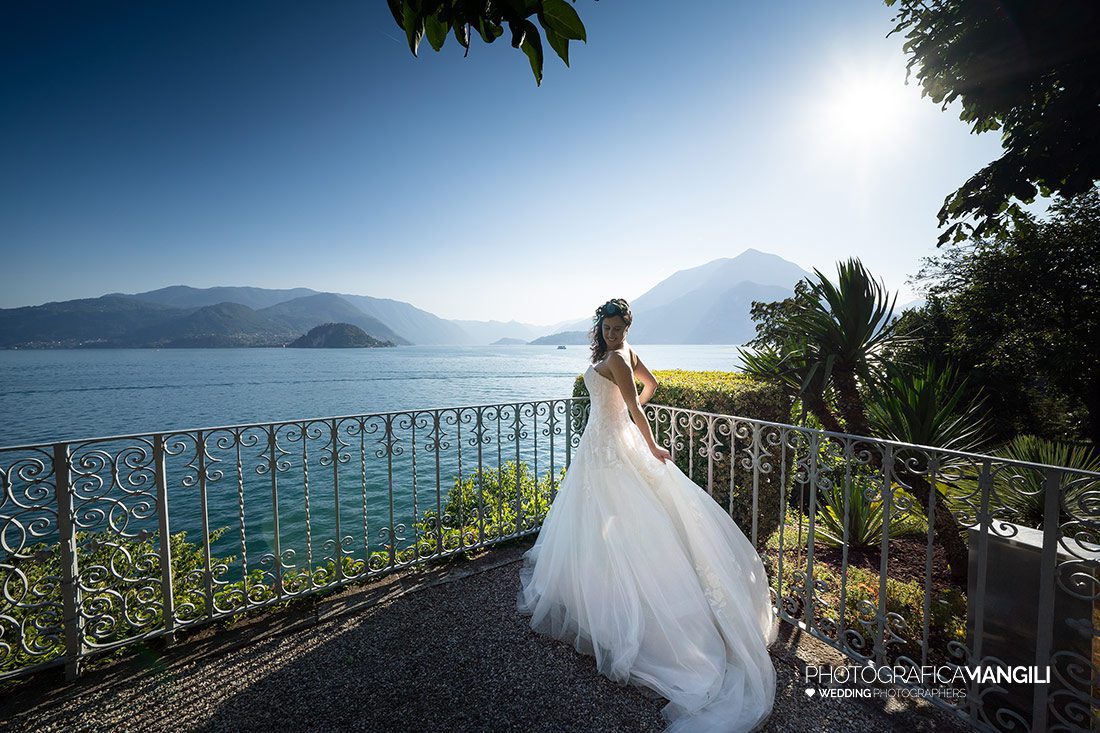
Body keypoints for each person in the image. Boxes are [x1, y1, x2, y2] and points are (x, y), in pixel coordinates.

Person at [516, 298, 778, 733]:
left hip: (609, 450)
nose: (613, 334)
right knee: (603, 525)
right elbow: (650, 386)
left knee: (621, 527)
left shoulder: (618, 357)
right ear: (599, 326)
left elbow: (638, 406)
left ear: (626, 328)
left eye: (619, 328)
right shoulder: (623, 353)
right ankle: (600, 596)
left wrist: (650, 443)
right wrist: (622, 418)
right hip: (606, 445)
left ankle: (628, 611)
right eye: (608, 328)